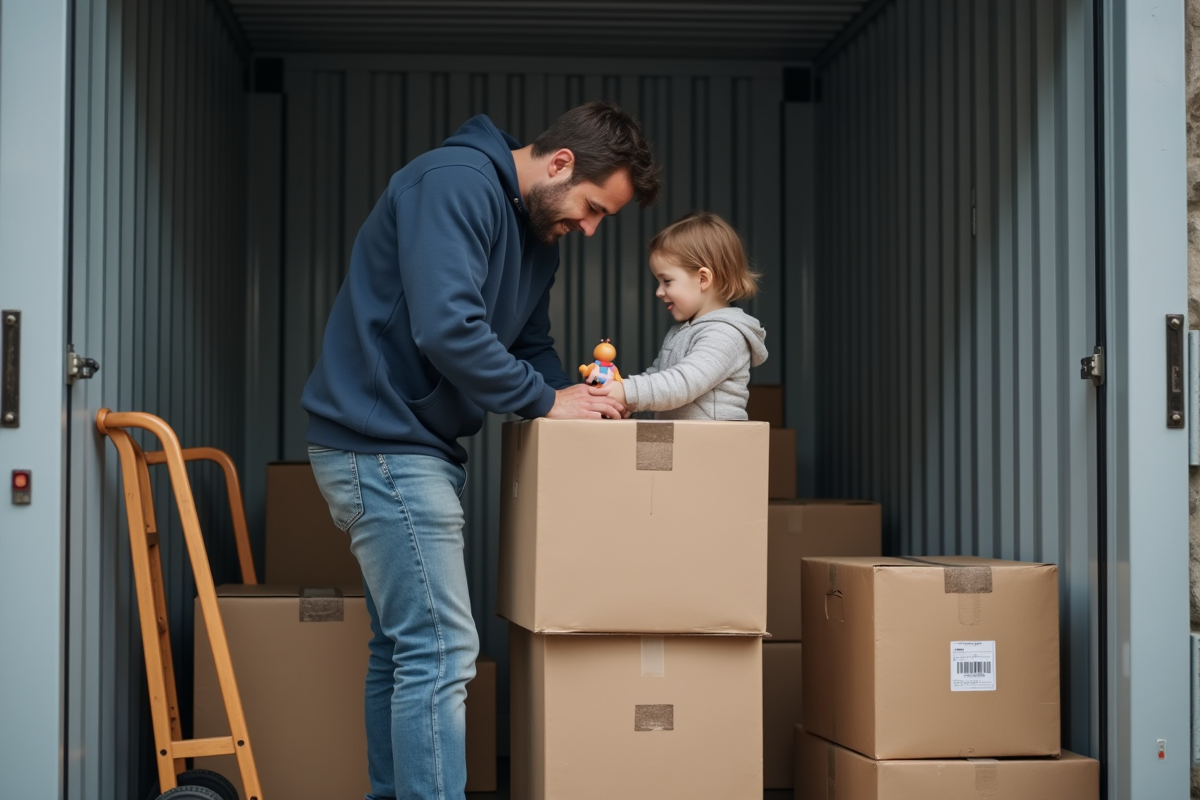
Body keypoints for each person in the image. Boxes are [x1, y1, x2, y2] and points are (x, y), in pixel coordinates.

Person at [300, 102, 661, 800]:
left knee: (403, 651)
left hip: (408, 448)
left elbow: (528, 347)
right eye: (592, 208)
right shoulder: (455, 183)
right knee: (440, 652)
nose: (588, 229)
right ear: (559, 163)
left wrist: (574, 396)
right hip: (382, 447)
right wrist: (544, 400)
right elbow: (448, 329)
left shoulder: (538, 239)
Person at [591, 212, 767, 418]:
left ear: (703, 278)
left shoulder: (726, 334)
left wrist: (627, 392)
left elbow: (682, 383)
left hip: (714, 446)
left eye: (667, 281)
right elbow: (658, 376)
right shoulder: (682, 331)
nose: (659, 291)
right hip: (684, 442)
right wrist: (622, 396)